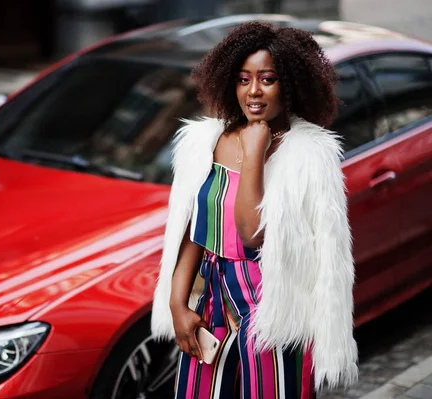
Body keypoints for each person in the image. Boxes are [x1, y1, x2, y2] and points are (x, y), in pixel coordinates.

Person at [151, 22, 359, 398]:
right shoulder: (205, 142)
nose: (254, 91)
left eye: (268, 79)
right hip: (213, 298)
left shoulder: (309, 156)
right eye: (244, 79)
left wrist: (254, 156)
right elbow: (192, 232)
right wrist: (178, 304)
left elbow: (252, 233)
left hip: (275, 304)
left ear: (290, 86)